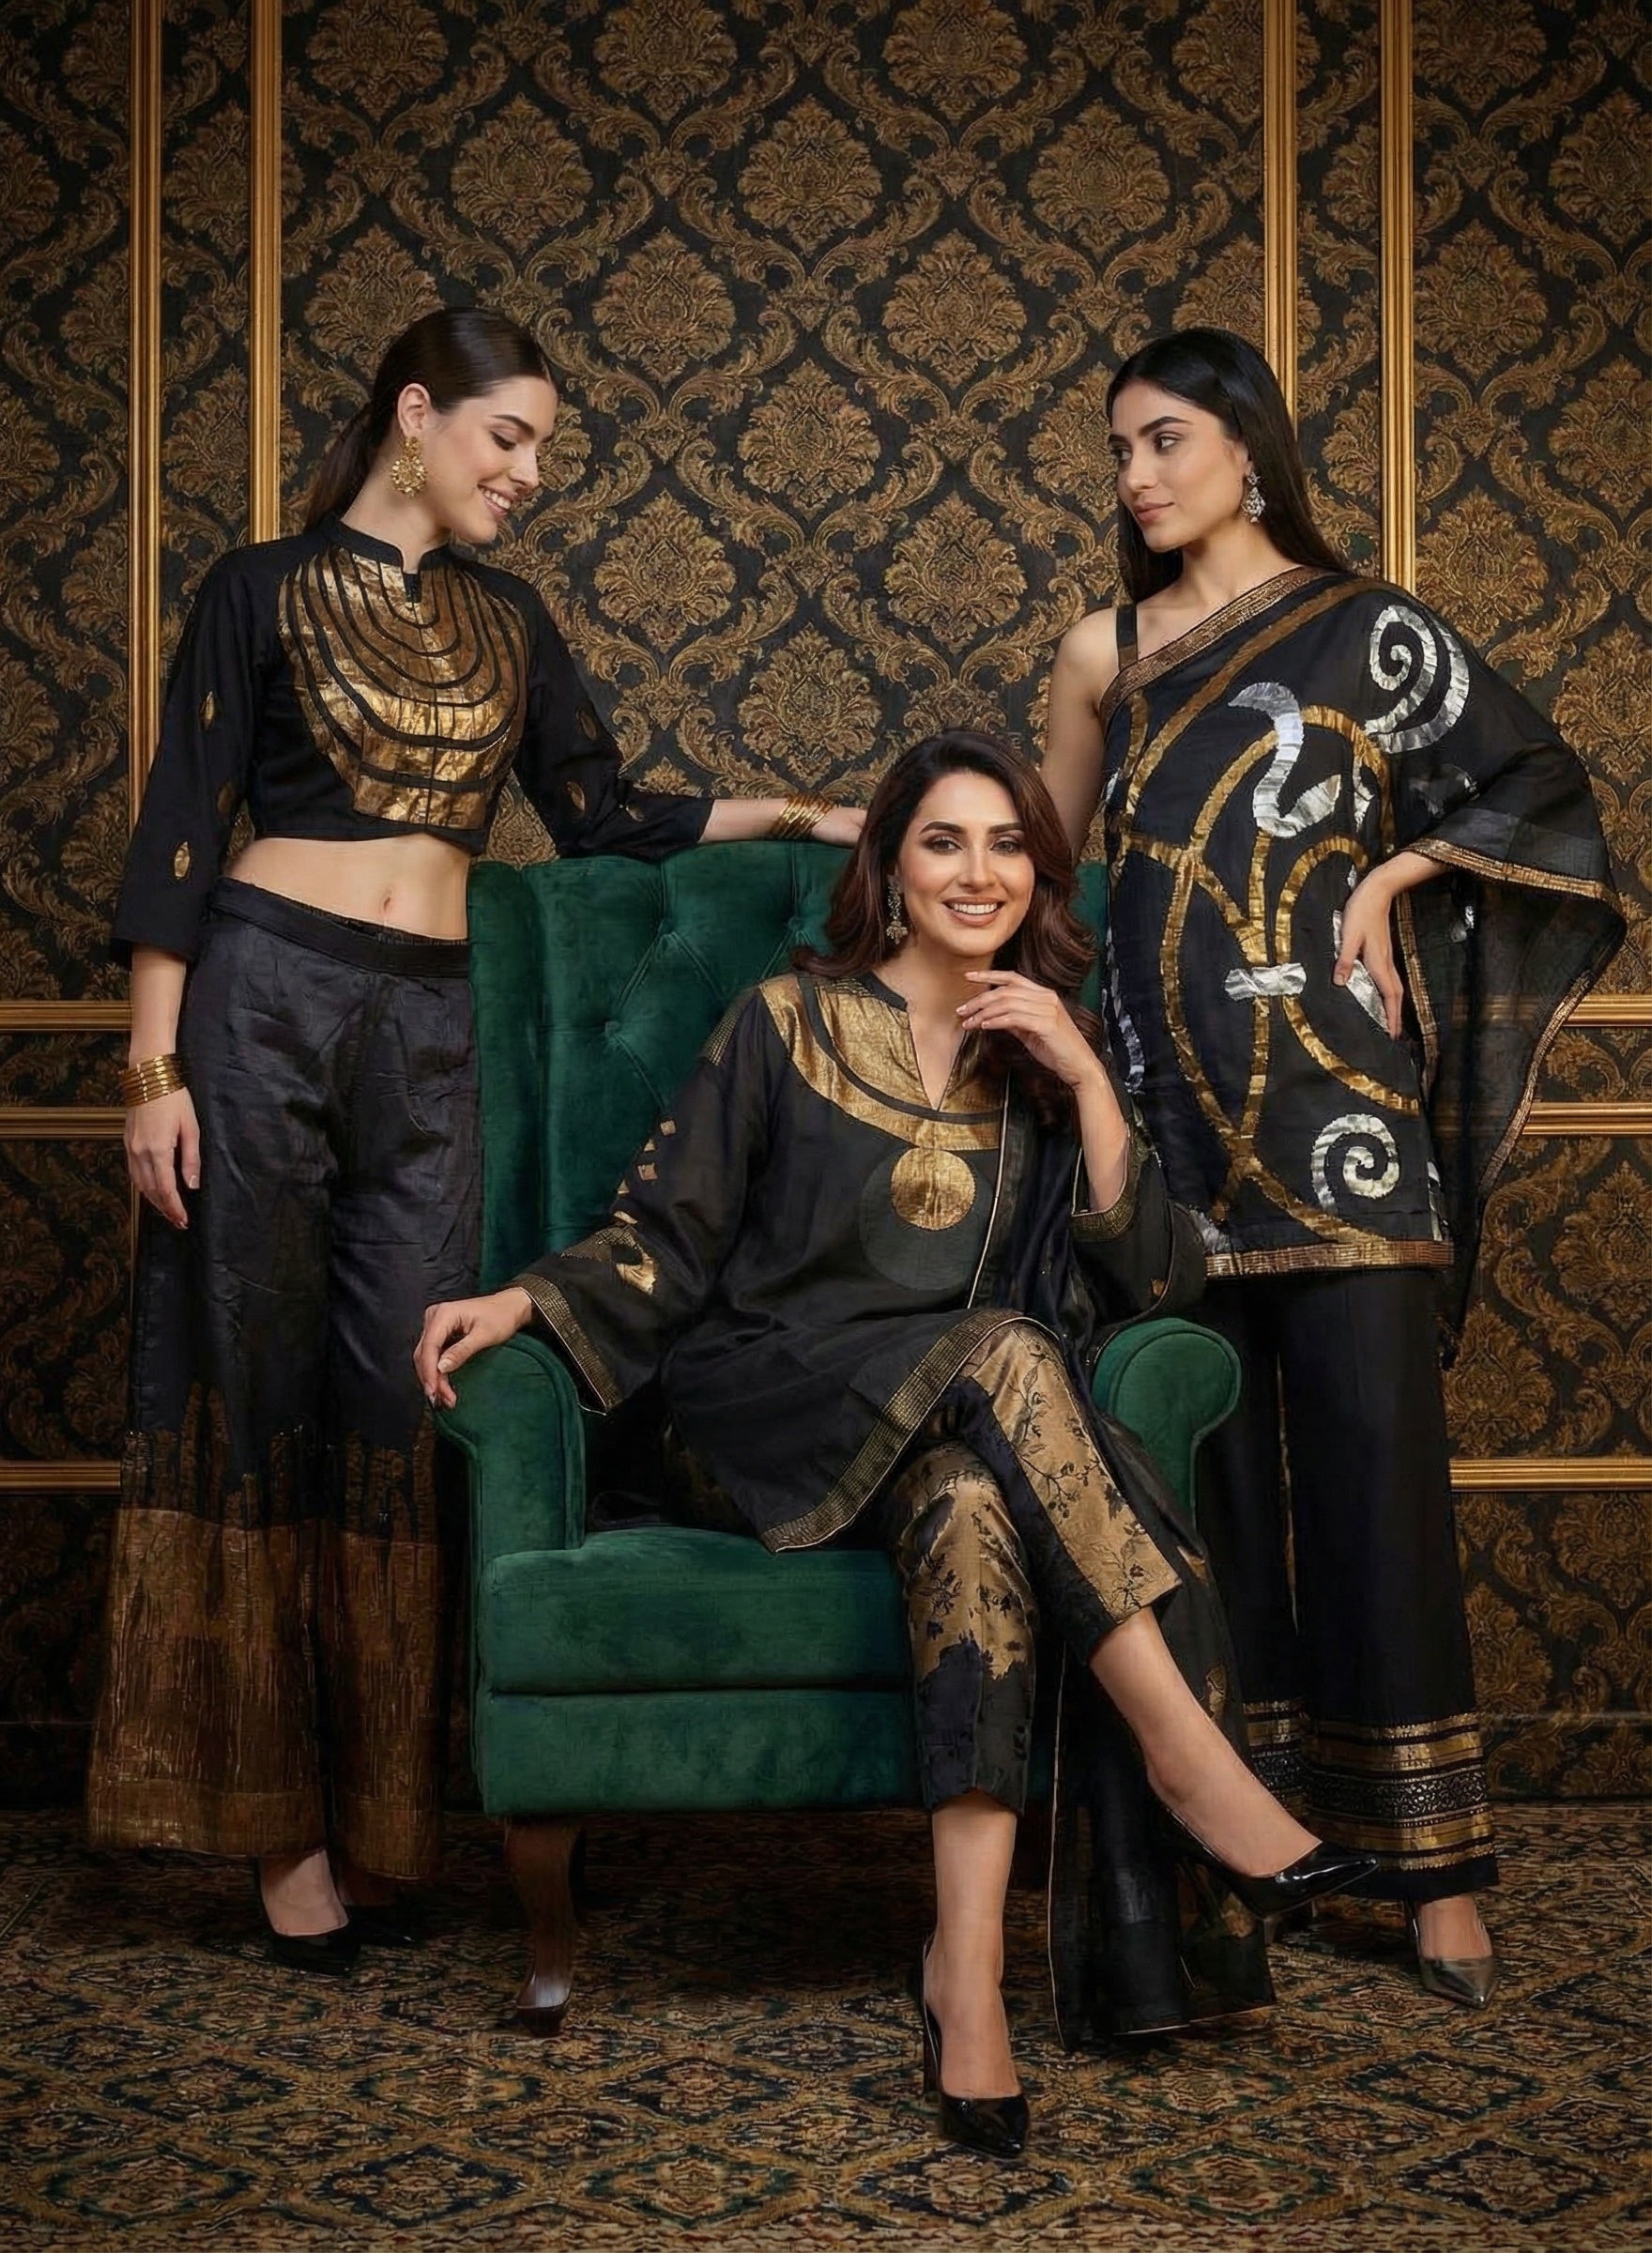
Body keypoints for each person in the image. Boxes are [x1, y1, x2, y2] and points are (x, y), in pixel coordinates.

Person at [416, 730, 1376, 2156]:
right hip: (760, 1413)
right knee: (1005, 1350)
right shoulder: (783, 1021)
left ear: (1035, 875)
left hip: (954, 1432)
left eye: (1006, 844)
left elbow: (1153, 1282)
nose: (978, 872)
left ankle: (965, 1981)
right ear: (892, 865)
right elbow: (665, 1237)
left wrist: (1088, 1083)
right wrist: (523, 1300)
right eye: (944, 841)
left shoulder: (1041, 1054)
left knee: (975, 1505)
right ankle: (1187, 1756)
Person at [87, 304, 863, 1973]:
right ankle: (280, 1833)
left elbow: (606, 817)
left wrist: (821, 816)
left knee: (400, 1390)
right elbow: (179, 828)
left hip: (431, 1027)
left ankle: (380, 1816)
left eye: (543, 453)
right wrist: (154, 1073)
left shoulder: (510, 620)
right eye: (509, 439)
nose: (529, 475)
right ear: (417, 414)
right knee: (257, 1383)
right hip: (262, 1000)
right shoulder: (256, 589)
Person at [1041, 326, 1623, 2007]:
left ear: (1247, 445)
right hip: (1164, 1127)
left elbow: (1540, 781)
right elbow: (1055, 874)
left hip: (1340, 1119)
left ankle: (1436, 1877)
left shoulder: (1372, 633)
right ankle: (1261, 1839)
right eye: (1120, 451)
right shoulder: (1102, 651)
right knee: (1206, 1492)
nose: (1136, 477)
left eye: (1164, 440)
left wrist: (1390, 879)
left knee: (1376, 1484)